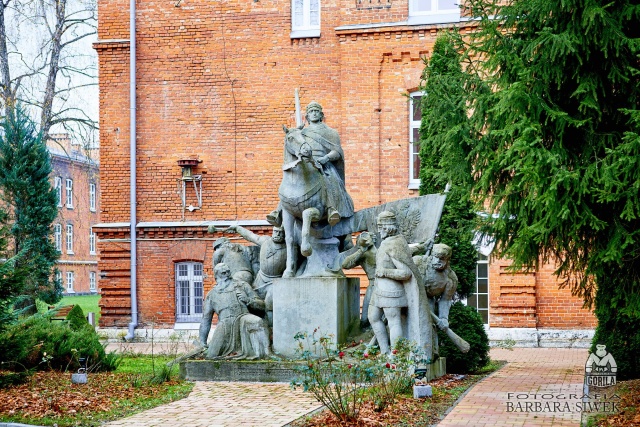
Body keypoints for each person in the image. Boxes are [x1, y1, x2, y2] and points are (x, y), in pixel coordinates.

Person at [267, 101, 354, 227]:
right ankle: (278, 211)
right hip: (305, 162)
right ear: (307, 116)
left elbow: (337, 152)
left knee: (329, 179)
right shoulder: (302, 132)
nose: (314, 114)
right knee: (291, 181)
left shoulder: (331, 132)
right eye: (311, 111)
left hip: (323, 163)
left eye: (316, 111)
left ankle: (331, 208)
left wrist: (325, 158)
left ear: (321, 115)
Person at [368, 211, 428, 354]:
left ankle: (396, 355)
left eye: (380, 227)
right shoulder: (389, 242)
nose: (379, 231)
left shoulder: (395, 244)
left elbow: (405, 273)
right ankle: (385, 352)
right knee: (373, 317)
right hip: (379, 289)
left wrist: (385, 272)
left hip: (391, 291)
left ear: (387, 227)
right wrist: (420, 247)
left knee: (394, 322)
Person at [199, 263, 272, 360]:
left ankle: (267, 353)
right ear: (216, 275)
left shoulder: (242, 285)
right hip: (225, 324)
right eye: (223, 273)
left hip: (243, 318)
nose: (227, 275)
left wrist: (248, 301)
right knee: (212, 355)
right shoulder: (212, 295)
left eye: (228, 272)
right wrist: (202, 342)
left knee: (257, 322)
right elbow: (206, 320)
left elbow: (262, 305)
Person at [225, 224, 287, 326]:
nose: (278, 235)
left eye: (281, 233)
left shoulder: (289, 247)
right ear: (272, 232)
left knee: (269, 304)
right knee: (252, 301)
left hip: (275, 282)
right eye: (276, 231)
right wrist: (237, 228)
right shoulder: (265, 241)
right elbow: (250, 235)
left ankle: (270, 327)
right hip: (260, 279)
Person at [340, 232, 377, 327]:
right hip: (373, 285)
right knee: (365, 318)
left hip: (387, 283)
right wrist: (361, 251)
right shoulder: (363, 254)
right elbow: (345, 264)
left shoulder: (382, 248)